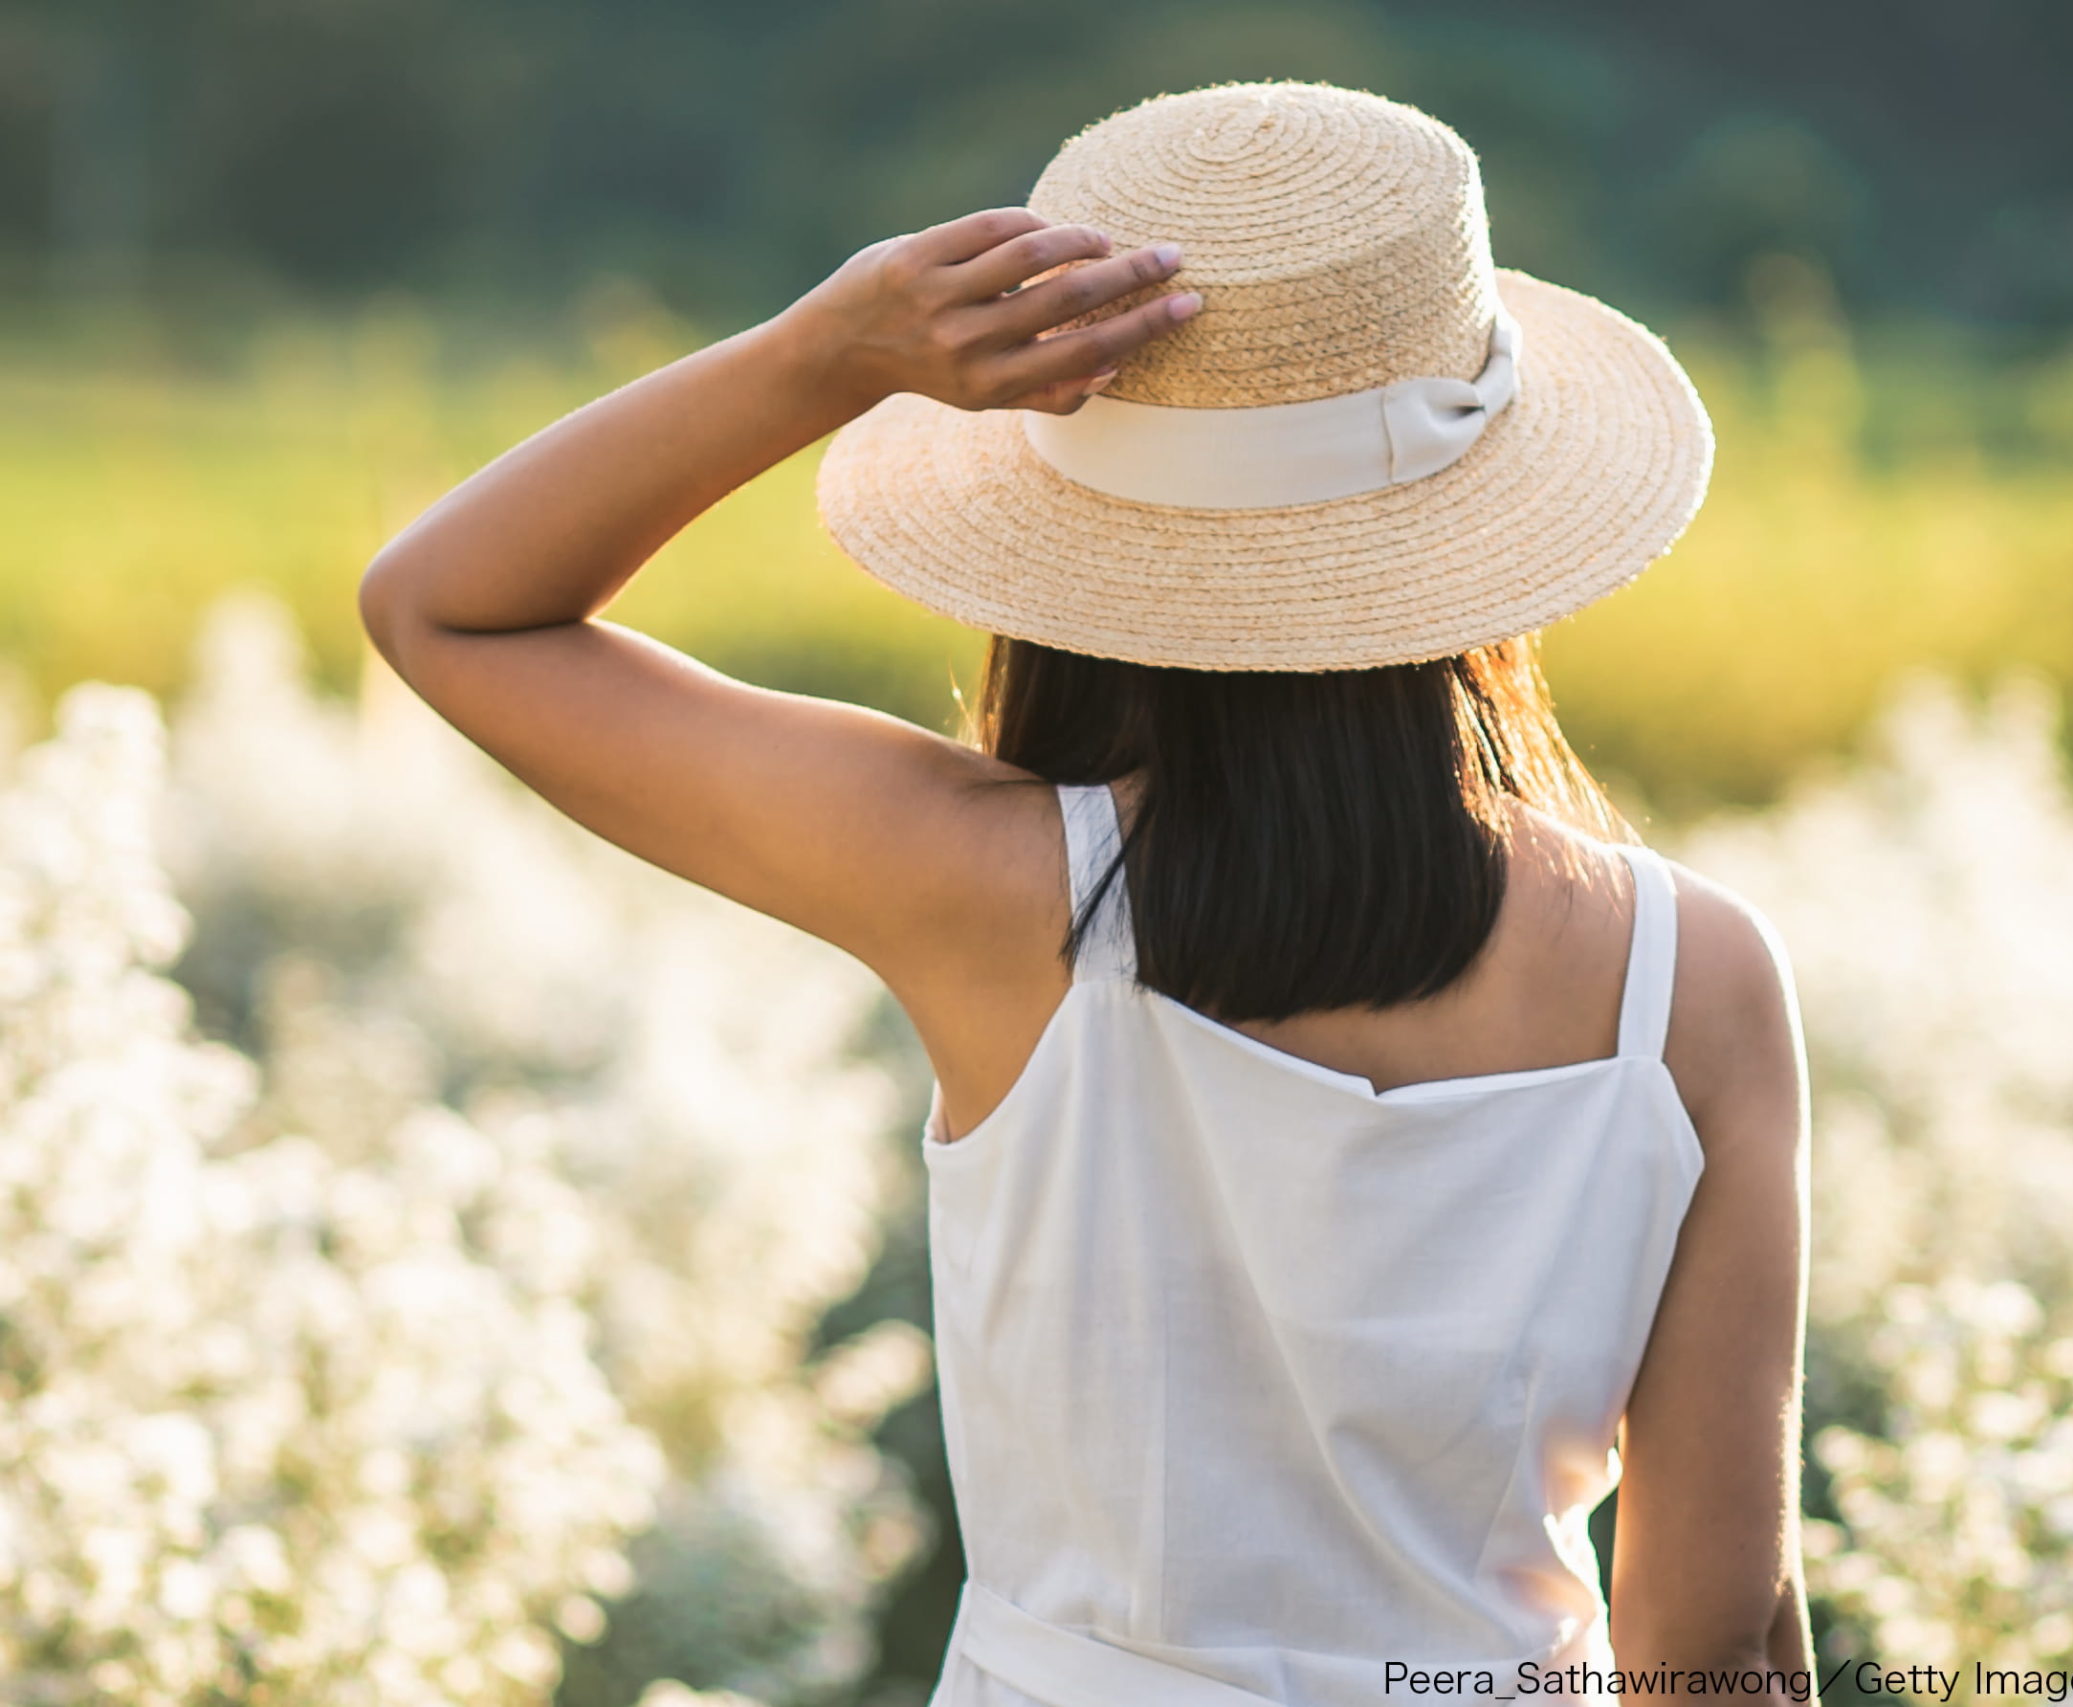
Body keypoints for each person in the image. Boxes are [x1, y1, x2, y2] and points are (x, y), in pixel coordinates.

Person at [361, 80, 1812, 1707]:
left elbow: (449, 611)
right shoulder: (1693, 978)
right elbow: (1714, 1646)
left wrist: (822, 355)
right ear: (1477, 518)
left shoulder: (984, 890)